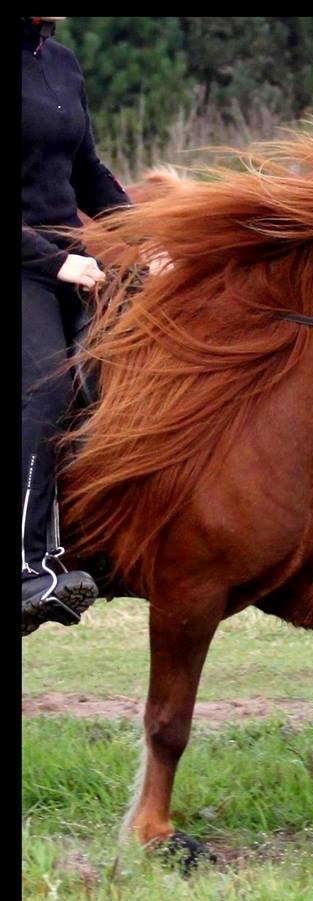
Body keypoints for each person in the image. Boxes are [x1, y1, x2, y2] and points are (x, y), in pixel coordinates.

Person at [22, 16, 131, 635]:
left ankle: (93, 551)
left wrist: (145, 235)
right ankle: (25, 565)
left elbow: (89, 171)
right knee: (48, 386)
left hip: (71, 260)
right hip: (31, 265)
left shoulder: (59, 60)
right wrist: (57, 261)